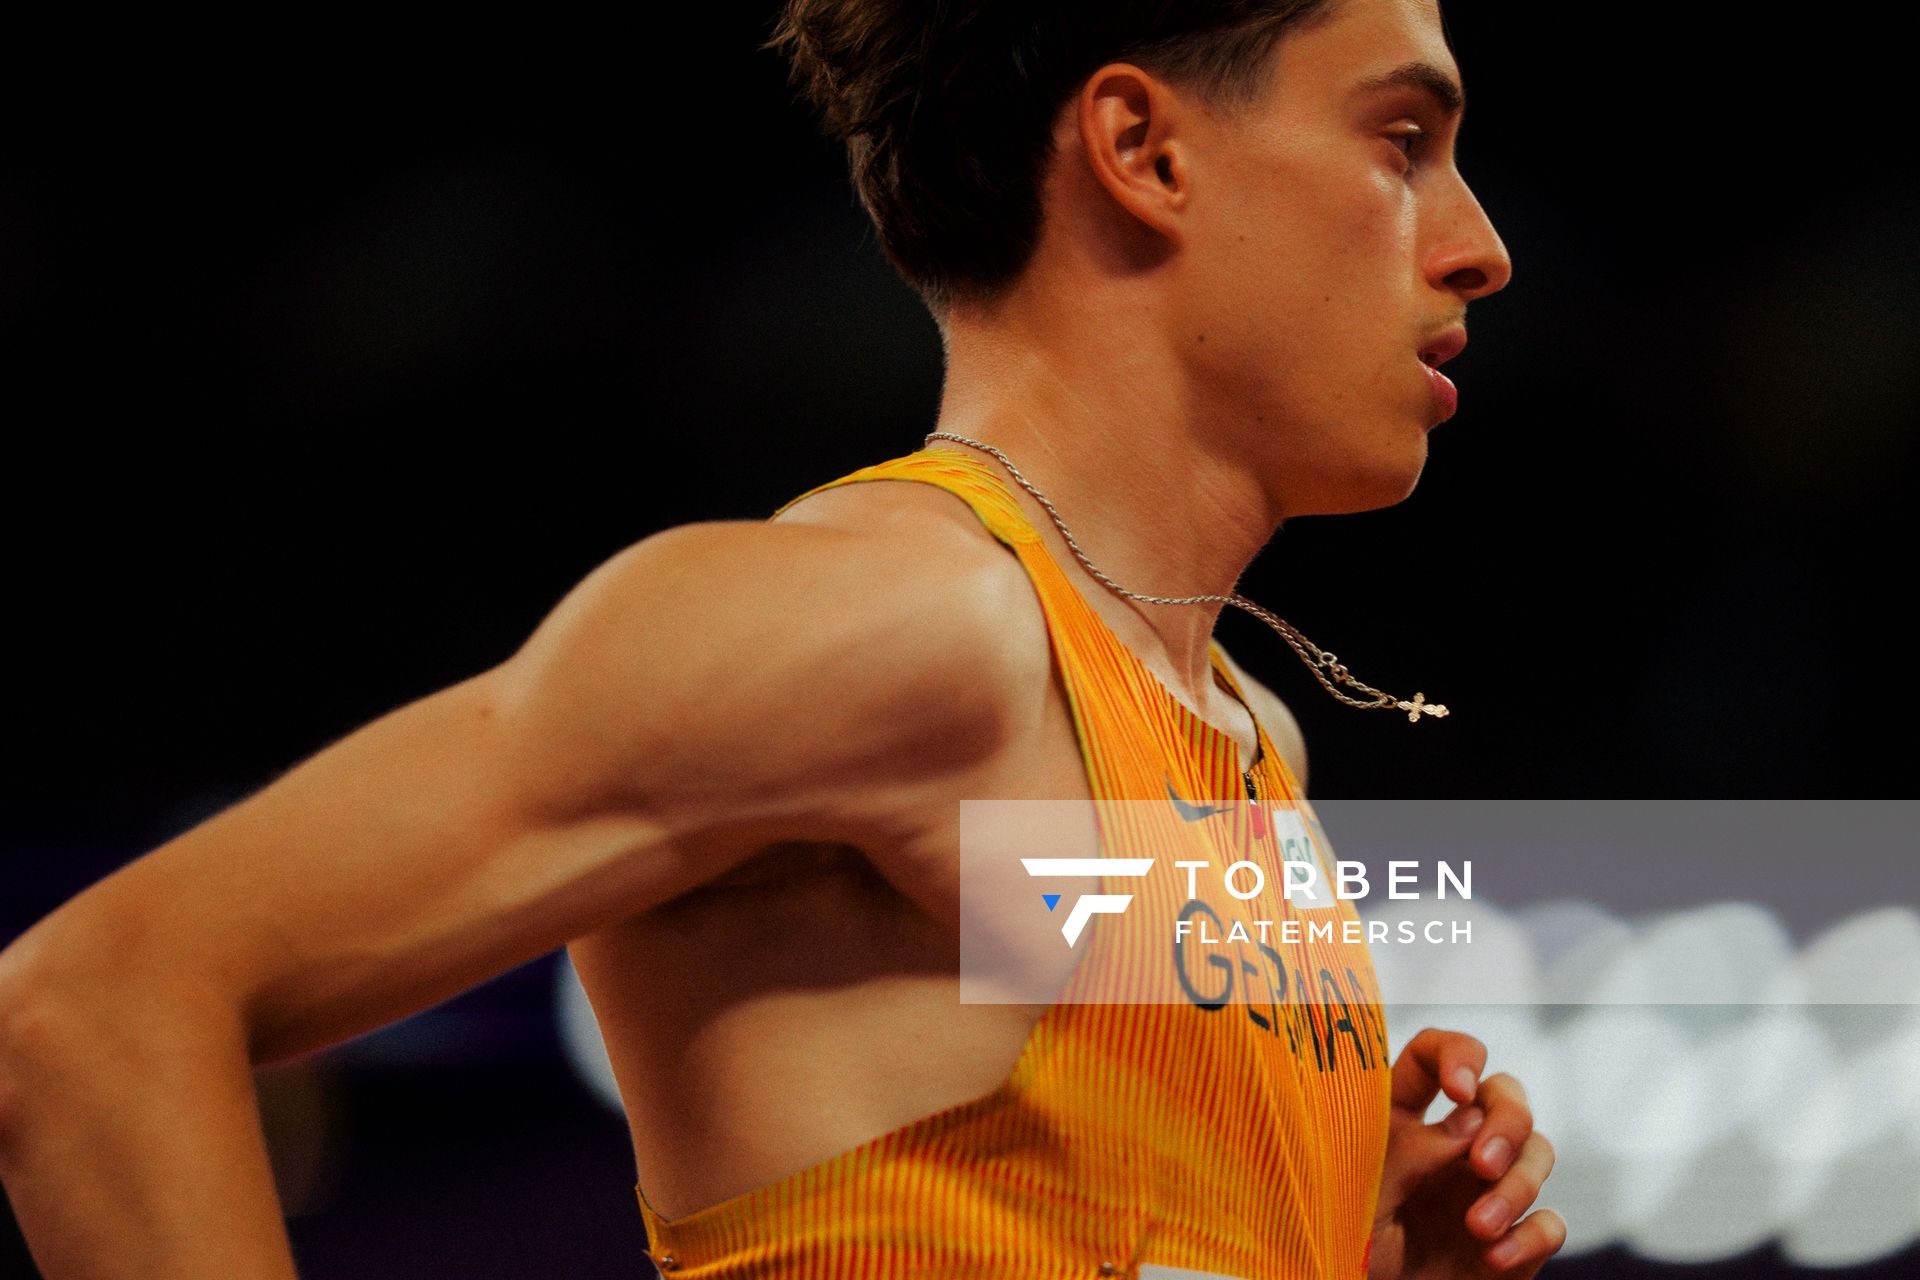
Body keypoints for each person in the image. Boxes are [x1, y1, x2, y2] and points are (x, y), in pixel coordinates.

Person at [0, 0, 1564, 1276]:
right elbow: (92, 1010)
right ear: (1143, 149)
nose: (1479, 243)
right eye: (1404, 142)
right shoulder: (904, 626)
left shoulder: (1246, 735)